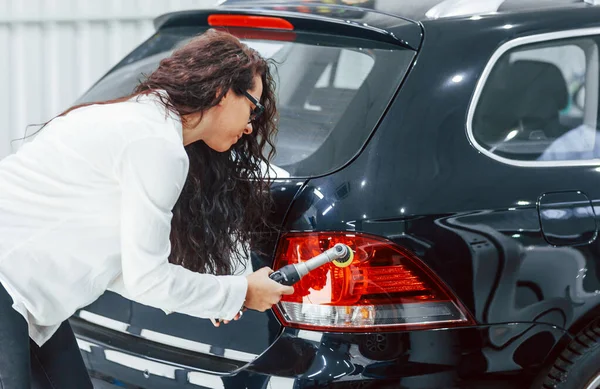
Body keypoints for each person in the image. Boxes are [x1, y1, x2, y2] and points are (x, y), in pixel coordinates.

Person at [0, 29, 294, 388]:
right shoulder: (155, 144)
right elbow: (146, 279)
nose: (251, 126)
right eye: (254, 106)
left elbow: (121, 265)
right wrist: (240, 292)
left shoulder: (142, 122)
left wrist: (221, 294)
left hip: (27, 301)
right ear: (221, 92)